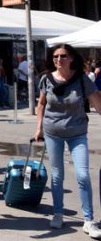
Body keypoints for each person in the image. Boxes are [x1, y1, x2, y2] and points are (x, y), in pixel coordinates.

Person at [33, 44, 101, 235]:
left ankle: (88, 220)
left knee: (83, 175)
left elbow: (97, 104)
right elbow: (41, 104)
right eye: (55, 56)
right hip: (52, 132)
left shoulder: (82, 79)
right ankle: (58, 213)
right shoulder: (46, 79)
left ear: (71, 58)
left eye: (63, 56)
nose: (58, 60)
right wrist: (38, 128)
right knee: (57, 176)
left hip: (77, 133)